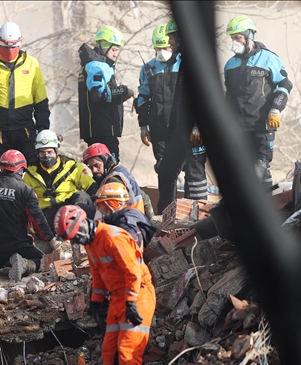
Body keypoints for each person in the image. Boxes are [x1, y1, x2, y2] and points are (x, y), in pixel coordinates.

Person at [54, 205, 155, 365]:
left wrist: (131, 303)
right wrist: (96, 301)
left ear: (82, 224)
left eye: (75, 236)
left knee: (128, 346)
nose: (75, 241)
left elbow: (133, 272)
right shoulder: (92, 244)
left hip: (138, 292)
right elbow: (98, 275)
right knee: (109, 349)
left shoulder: (112, 237)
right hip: (119, 296)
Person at [137, 22, 208, 212]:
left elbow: (204, 96)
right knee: (166, 169)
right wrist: (144, 125)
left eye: (171, 40)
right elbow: (143, 97)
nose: (169, 43)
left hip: (192, 128)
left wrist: (198, 125)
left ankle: (195, 212)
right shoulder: (151, 69)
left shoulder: (192, 62)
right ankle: (166, 212)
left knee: (193, 172)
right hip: (171, 128)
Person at [0, 149, 62, 282]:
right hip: (18, 244)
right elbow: (38, 220)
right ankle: (25, 264)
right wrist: (51, 240)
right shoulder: (25, 191)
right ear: (20, 170)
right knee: (41, 259)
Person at [223, 14, 292, 187]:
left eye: (238, 37)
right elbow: (229, 96)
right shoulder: (230, 65)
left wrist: (276, 109)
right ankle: (266, 206)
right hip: (238, 128)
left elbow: (284, 85)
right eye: (232, 38)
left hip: (262, 125)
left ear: (250, 36)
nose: (235, 42)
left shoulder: (269, 59)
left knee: (259, 167)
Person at [0, 22, 49, 168]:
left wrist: (43, 130)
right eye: (5, 47)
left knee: (31, 170)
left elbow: (41, 101)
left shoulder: (31, 64)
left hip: (24, 129)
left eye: (13, 47)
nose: (9, 51)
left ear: (19, 43)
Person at [77, 25, 134, 161]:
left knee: (99, 169)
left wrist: (119, 97)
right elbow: (97, 95)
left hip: (97, 129)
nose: (115, 54)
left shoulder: (91, 64)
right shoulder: (97, 65)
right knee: (112, 167)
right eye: (113, 49)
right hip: (103, 131)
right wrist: (122, 90)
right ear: (104, 46)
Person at [23, 129, 95, 225]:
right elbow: (24, 199)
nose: (46, 156)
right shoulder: (30, 173)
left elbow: (91, 186)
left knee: (82, 196)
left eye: (50, 152)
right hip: (46, 212)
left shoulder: (72, 167)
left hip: (70, 208)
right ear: (37, 154)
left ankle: (76, 228)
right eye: (42, 153)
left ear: (56, 151)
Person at [83, 143, 154, 219]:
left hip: (125, 223)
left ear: (106, 161)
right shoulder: (122, 172)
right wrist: (150, 221)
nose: (94, 170)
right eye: (91, 167)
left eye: (97, 165)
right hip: (136, 221)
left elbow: (109, 210)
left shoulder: (112, 180)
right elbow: (145, 198)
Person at [93, 182, 156, 250]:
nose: (97, 209)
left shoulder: (125, 225)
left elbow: (126, 250)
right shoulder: (132, 214)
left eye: (99, 205)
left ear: (110, 205)